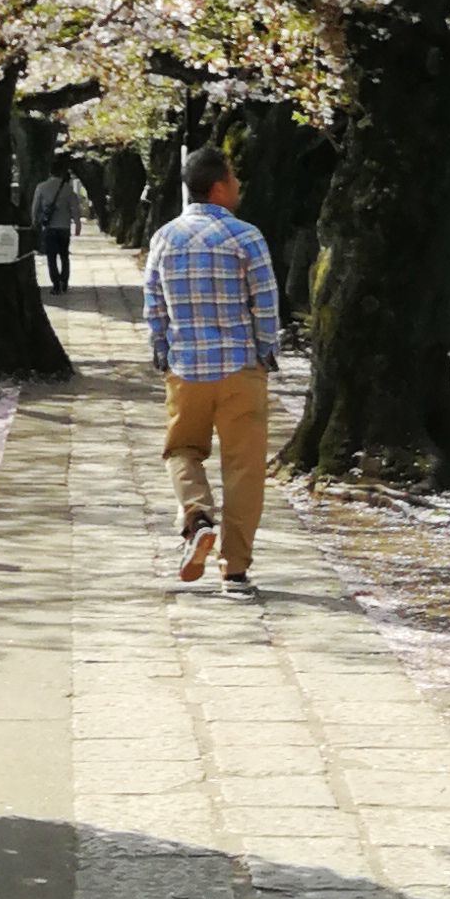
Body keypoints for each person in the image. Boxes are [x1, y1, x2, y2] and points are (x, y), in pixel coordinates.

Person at [140, 145, 282, 588]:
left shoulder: (164, 238)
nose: (238, 185)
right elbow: (266, 305)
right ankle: (235, 568)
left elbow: (153, 305)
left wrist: (162, 351)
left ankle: (198, 516)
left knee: (182, 450)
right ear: (218, 186)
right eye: (234, 177)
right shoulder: (246, 237)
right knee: (244, 467)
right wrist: (264, 351)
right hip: (240, 368)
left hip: (186, 368)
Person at [28, 162, 84, 293]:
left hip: (49, 228)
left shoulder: (41, 187)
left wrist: (34, 221)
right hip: (64, 227)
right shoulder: (68, 189)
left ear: (50, 173)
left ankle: (55, 284)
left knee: (51, 257)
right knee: (64, 255)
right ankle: (64, 281)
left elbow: (35, 208)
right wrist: (78, 224)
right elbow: (75, 208)